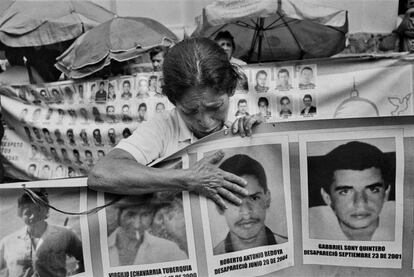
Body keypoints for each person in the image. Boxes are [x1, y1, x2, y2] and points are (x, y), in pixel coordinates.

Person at [88, 38, 262, 210]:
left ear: (230, 89)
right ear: (173, 101)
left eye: (215, 107)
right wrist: (187, 179)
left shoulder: (243, 123)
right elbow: (102, 174)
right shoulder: (164, 127)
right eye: (190, 111)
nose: (206, 122)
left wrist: (264, 137)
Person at [309, 141, 395, 241]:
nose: (360, 203)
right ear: (327, 197)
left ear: (386, 193)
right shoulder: (308, 225)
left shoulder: (406, 220)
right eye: (345, 192)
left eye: (373, 190)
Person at [213, 154, 287, 255]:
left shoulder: (293, 248)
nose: (246, 212)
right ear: (219, 206)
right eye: (233, 200)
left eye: (254, 198)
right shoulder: (209, 259)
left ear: (267, 199)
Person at [0, 191, 84, 276]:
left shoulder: (65, 234)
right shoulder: (7, 242)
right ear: (20, 214)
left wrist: (75, 274)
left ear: (46, 212)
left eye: (38, 211)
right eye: (28, 213)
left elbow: (86, 259)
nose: (33, 216)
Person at [107, 195, 187, 266]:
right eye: (131, 215)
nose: (137, 225)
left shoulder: (168, 249)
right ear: (119, 214)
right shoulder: (101, 248)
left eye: (145, 215)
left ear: (153, 216)